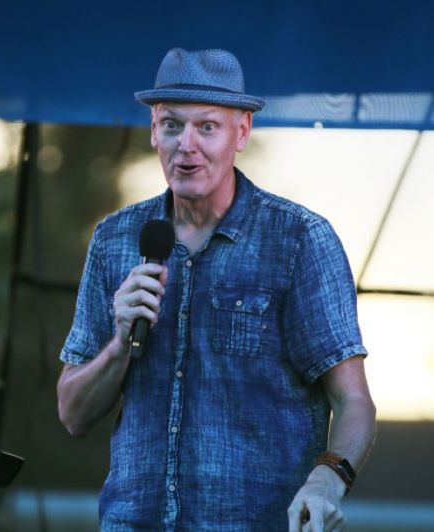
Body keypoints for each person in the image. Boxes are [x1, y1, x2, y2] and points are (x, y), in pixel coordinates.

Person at [56, 48, 377, 531]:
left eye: (207, 126)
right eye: (171, 125)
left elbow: (355, 402)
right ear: (152, 131)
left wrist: (327, 480)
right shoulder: (115, 239)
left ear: (241, 131)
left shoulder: (299, 240)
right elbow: (72, 413)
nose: (186, 144)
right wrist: (121, 342)